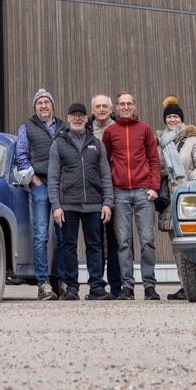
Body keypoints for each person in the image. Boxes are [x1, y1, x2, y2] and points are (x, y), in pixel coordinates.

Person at [48, 102, 114, 300]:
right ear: (68, 118)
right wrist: (56, 206)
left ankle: (96, 287)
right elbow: (53, 177)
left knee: (95, 245)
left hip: (94, 204)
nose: (77, 119)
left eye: (81, 115)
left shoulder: (97, 143)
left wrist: (107, 202)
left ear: (86, 119)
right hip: (68, 204)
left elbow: (105, 175)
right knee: (68, 246)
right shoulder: (58, 143)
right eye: (73, 115)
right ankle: (72, 288)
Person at [102, 91, 162, 300]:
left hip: (143, 191)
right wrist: (109, 193)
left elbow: (154, 160)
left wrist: (154, 187)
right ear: (117, 107)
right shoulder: (110, 132)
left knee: (147, 241)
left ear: (134, 106)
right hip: (119, 193)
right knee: (123, 242)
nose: (126, 107)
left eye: (129, 103)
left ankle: (149, 286)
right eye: (122, 104)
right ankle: (127, 286)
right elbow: (104, 163)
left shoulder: (144, 129)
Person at [157, 97, 196, 300]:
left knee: (193, 243)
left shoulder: (193, 140)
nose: (172, 120)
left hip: (188, 199)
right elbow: (155, 166)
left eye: (175, 116)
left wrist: (188, 183)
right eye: (169, 116)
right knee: (177, 247)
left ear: (181, 119)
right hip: (169, 201)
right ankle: (184, 285)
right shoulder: (160, 142)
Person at [14, 88, 60, 300]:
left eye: (46, 102)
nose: (43, 106)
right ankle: (43, 284)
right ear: (35, 107)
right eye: (39, 103)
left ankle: (63, 282)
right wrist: (34, 178)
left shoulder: (63, 127)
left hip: (60, 187)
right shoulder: (27, 127)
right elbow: (21, 155)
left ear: (52, 105)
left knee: (63, 236)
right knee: (41, 235)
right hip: (40, 185)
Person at [88, 94, 124, 299]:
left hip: (116, 189)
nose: (101, 109)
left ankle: (117, 286)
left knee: (116, 239)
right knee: (95, 240)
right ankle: (97, 285)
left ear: (111, 109)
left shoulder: (120, 129)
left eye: (105, 106)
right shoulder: (86, 130)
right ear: (92, 110)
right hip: (93, 192)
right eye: (98, 106)